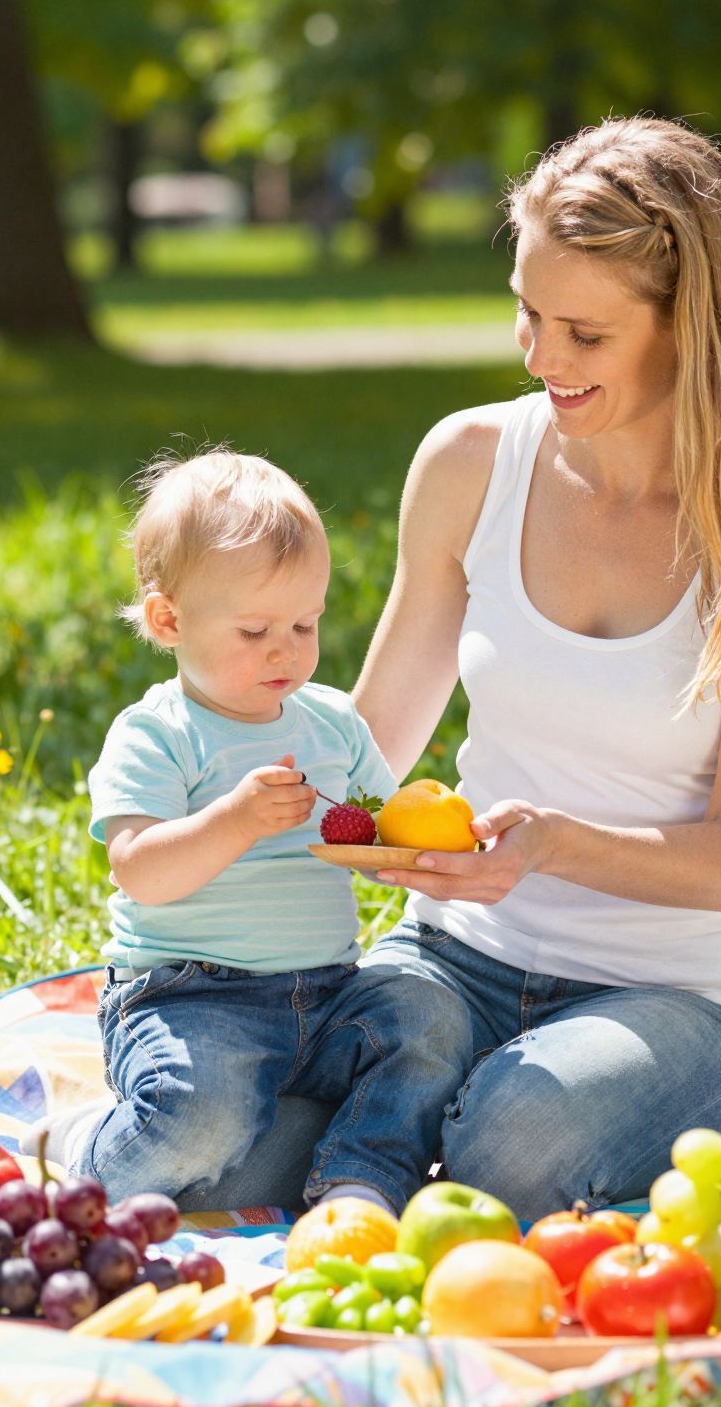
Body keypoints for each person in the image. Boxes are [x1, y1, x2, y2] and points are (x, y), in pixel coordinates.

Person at [346, 115, 721, 1216]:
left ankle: (411, 1136)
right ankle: (392, 1133)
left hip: (676, 996)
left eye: (584, 333)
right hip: (457, 955)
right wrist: (232, 767)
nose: (542, 357)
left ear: (690, 324)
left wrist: (549, 842)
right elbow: (366, 749)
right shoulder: (470, 463)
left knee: (516, 1139)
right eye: (526, 312)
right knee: (260, 1095)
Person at [54, 448, 471, 1214]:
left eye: (305, 623)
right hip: (190, 998)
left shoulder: (331, 723)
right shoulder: (156, 735)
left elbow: (382, 829)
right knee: (200, 1114)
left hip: (329, 991)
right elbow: (140, 871)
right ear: (168, 620)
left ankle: (358, 1182)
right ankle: (89, 1150)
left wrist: (421, 845)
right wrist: (234, 819)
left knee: (430, 1019)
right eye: (253, 631)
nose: (286, 649)